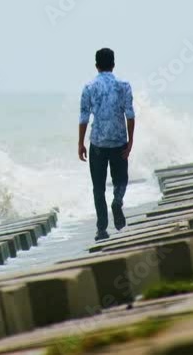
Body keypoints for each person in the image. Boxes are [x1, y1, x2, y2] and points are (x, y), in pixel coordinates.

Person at [78, 47, 135, 241]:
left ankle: (101, 228)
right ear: (113, 64)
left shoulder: (89, 87)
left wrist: (80, 143)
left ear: (96, 66)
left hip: (98, 144)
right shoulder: (124, 85)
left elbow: (84, 117)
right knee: (121, 180)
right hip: (119, 141)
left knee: (98, 187)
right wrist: (131, 141)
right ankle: (117, 201)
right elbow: (130, 115)